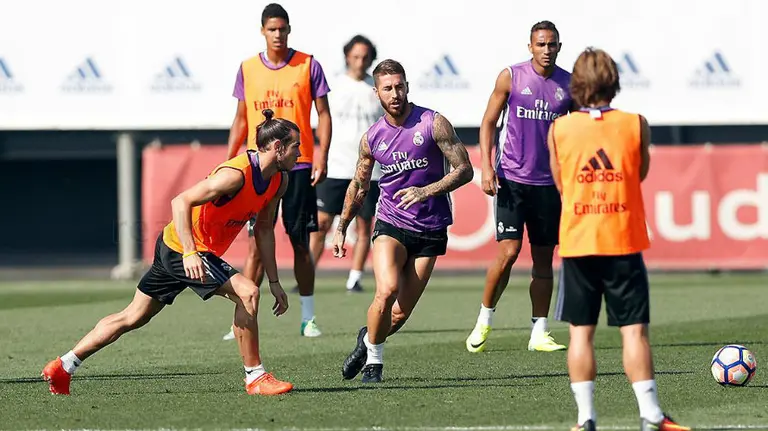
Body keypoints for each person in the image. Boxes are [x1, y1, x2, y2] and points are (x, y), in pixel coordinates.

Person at [42, 110, 299, 397]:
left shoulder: (279, 181)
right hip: (183, 248)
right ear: (277, 148)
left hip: (180, 248)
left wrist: (275, 282)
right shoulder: (235, 175)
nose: (299, 154)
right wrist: (190, 253)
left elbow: (263, 230)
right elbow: (181, 201)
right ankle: (256, 377)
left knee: (133, 316)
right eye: (295, 147)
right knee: (248, 293)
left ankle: (63, 366)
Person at [549, 48, 689, 431]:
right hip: (623, 240)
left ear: (576, 85)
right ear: (614, 80)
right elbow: (638, 173)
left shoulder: (559, 129)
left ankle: (586, 419)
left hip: (579, 241)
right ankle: (651, 415)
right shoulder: (636, 123)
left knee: (581, 333)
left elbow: (562, 183)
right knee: (634, 331)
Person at [333, 59, 474, 383]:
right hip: (391, 223)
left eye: (399, 86)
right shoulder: (372, 138)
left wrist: (427, 191)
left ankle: (367, 339)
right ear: (377, 93)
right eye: (387, 88)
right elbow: (358, 185)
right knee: (387, 291)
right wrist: (342, 227)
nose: (395, 93)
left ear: (407, 86)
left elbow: (464, 169)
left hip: (431, 228)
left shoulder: (433, 123)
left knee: (398, 314)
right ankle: (375, 363)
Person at [223, 2, 331, 340]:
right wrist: (228, 161)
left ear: (289, 30)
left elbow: (323, 114)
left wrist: (321, 155)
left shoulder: (307, 65)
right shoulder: (248, 68)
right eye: (272, 29)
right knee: (256, 243)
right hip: (260, 168)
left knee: (300, 242)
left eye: (283, 29)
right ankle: (241, 318)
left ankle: (308, 317)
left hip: (297, 166)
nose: (278, 34)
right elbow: (241, 119)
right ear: (263, 31)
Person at [465, 20, 572, 354]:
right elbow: (487, 122)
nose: (546, 50)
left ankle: (539, 331)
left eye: (552, 44)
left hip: (548, 185)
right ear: (530, 47)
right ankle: (484, 320)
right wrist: (486, 166)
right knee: (509, 253)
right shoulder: (511, 76)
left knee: (543, 260)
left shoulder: (569, 85)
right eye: (540, 44)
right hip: (512, 178)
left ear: (559, 46)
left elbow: (578, 131)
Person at [310, 35, 384, 293]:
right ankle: (307, 275)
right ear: (347, 57)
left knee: (364, 225)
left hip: (369, 170)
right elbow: (321, 122)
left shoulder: (378, 89)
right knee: (321, 224)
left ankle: (355, 278)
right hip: (336, 165)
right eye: (355, 56)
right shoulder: (334, 87)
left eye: (365, 57)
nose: (360, 61)